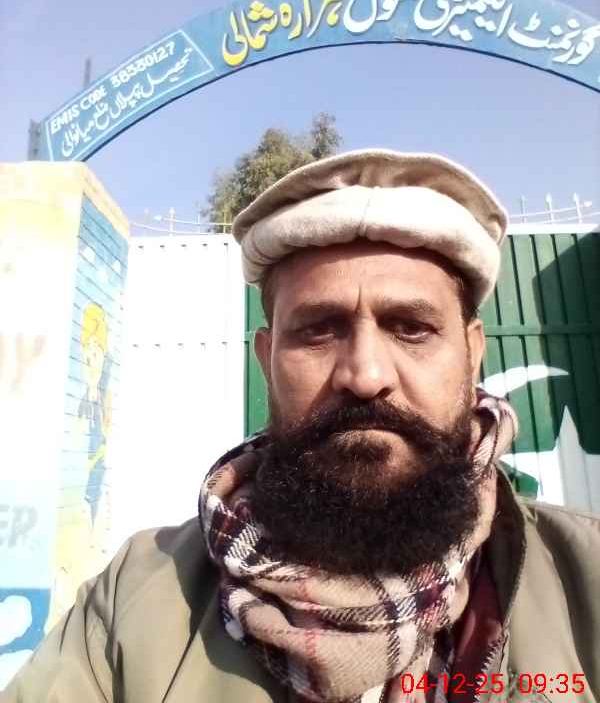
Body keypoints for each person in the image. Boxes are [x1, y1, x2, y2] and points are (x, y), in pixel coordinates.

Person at [5, 150, 600, 703]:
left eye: (411, 328)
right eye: (318, 330)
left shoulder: (586, 581)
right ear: (266, 360)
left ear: (472, 357)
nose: (365, 375)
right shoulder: (133, 603)